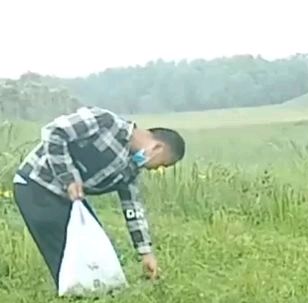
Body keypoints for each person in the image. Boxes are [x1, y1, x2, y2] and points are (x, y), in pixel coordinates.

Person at [12, 106, 183, 286]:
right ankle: (73, 300)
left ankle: (94, 296)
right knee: (67, 253)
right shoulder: (104, 122)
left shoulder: (130, 169)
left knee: (94, 250)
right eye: (162, 164)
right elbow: (54, 131)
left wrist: (146, 252)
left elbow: (132, 207)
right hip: (35, 184)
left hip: (71, 199)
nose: (156, 169)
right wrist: (68, 178)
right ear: (157, 147)